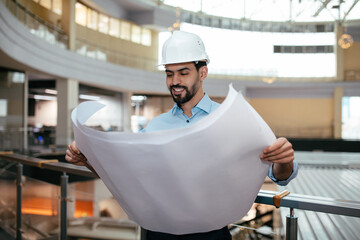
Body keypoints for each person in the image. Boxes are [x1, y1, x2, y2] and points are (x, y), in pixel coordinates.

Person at [66, 31, 298, 240]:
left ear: (203, 72)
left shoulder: (231, 120)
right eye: (169, 74)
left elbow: (280, 176)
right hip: (158, 233)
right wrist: (86, 159)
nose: (174, 81)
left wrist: (284, 160)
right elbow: (123, 177)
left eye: (183, 73)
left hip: (210, 235)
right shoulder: (155, 126)